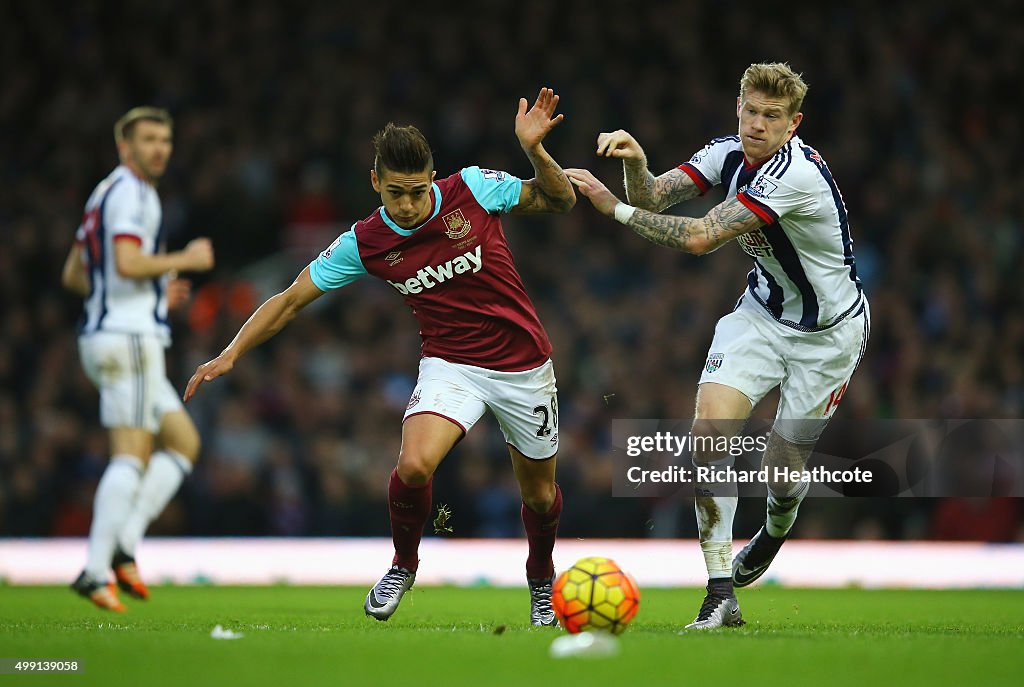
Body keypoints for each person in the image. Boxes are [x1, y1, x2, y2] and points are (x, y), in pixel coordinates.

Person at [184, 88, 575, 625]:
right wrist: (231, 352)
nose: (409, 205)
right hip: (450, 365)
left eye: (417, 191)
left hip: (524, 363)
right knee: (413, 464)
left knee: (539, 494)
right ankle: (403, 565)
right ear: (376, 184)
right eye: (397, 193)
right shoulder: (366, 242)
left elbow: (561, 200)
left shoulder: (476, 189)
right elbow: (292, 299)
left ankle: (539, 580)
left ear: (434, 177)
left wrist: (534, 151)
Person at [566, 63, 869, 629]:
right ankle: (720, 590)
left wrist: (613, 208)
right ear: (738, 107)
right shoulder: (726, 153)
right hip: (759, 314)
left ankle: (775, 530)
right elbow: (656, 196)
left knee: (783, 468)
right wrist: (636, 164)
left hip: (828, 336)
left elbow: (701, 236)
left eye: (772, 117)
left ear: (793, 123)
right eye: (750, 110)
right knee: (709, 432)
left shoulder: (794, 175)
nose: (757, 124)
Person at [62, 107, 215, 611]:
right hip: (128, 339)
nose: (159, 149)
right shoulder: (131, 192)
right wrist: (185, 261)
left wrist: (148, 293)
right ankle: (93, 568)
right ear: (124, 146)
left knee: (183, 441)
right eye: (148, 140)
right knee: (131, 454)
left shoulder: (103, 194)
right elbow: (126, 263)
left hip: (118, 332)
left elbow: (76, 275)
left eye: (165, 140)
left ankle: (125, 542)